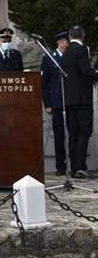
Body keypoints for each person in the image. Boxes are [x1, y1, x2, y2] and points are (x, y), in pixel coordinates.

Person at [61, 25, 98, 178]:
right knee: (84, 132)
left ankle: (74, 167)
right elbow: (85, 71)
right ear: (83, 36)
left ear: (70, 36)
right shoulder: (81, 50)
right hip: (82, 99)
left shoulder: (66, 51)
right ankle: (80, 167)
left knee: (73, 134)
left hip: (69, 100)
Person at [41, 30, 70, 176]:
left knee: (73, 132)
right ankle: (60, 165)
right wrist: (47, 103)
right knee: (59, 135)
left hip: (70, 101)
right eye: (65, 41)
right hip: (56, 101)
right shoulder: (49, 59)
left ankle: (75, 164)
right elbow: (44, 83)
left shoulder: (70, 57)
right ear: (59, 43)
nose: (67, 44)